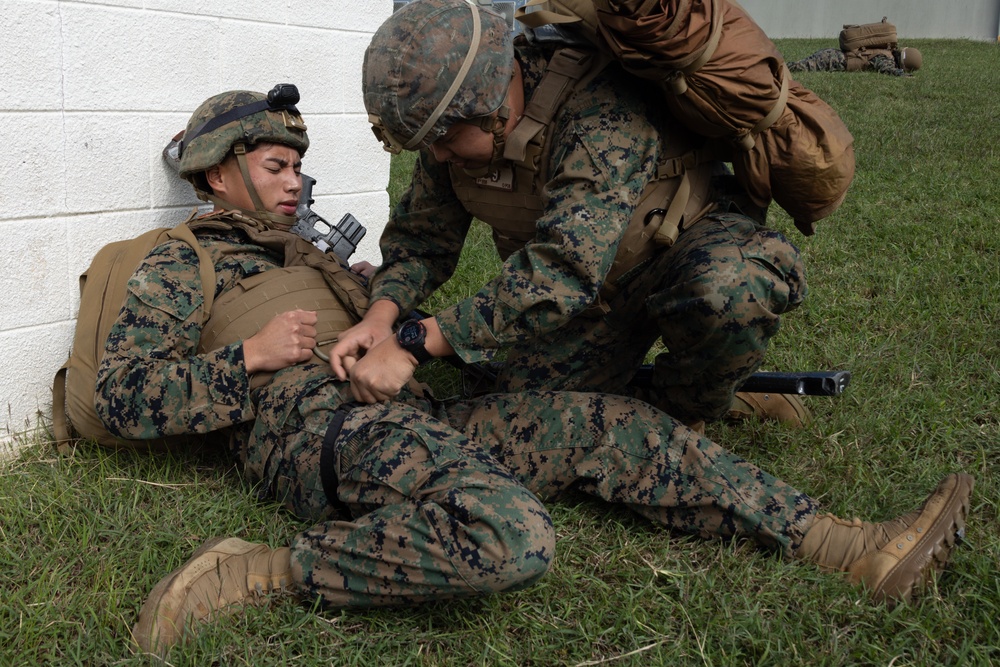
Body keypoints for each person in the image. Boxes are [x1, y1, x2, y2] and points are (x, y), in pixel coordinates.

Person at [95, 86, 974, 658]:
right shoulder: (183, 262)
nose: (296, 184)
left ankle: (846, 547)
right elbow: (121, 395)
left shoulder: (315, 259)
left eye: (298, 166)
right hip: (318, 433)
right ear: (216, 173)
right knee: (509, 533)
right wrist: (248, 358)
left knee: (602, 422)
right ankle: (262, 569)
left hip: (416, 411)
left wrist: (376, 312)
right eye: (275, 166)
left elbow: (412, 286)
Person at [334, 0, 813, 431]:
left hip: (678, 253)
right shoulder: (452, 130)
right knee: (522, 418)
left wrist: (416, 341)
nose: (437, 157)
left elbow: (565, 267)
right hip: (596, 294)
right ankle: (658, 397)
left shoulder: (597, 110)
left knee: (730, 290)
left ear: (496, 103)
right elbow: (422, 240)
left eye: (446, 139)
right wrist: (383, 314)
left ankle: (692, 406)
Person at [788, 45, 922, 77]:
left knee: (800, 65)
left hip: (832, 54)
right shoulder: (886, 58)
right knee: (797, 68)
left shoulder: (886, 51)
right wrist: (900, 74)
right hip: (833, 60)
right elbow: (885, 68)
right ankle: (775, 66)